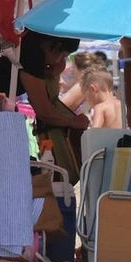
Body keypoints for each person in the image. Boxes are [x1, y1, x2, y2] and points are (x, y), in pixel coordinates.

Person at [19, 30, 90, 182]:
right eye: (63, 55)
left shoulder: (39, 59)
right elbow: (44, 111)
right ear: (53, 47)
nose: (61, 62)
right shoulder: (32, 56)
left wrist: (56, 64)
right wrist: (72, 122)